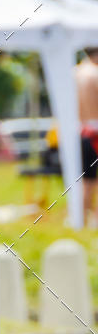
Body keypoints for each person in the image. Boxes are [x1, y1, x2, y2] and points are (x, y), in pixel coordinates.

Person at [75, 47, 98, 224]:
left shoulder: (74, 72)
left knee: (85, 179)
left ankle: (82, 217)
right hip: (94, 131)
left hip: (78, 130)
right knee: (91, 180)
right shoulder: (94, 73)